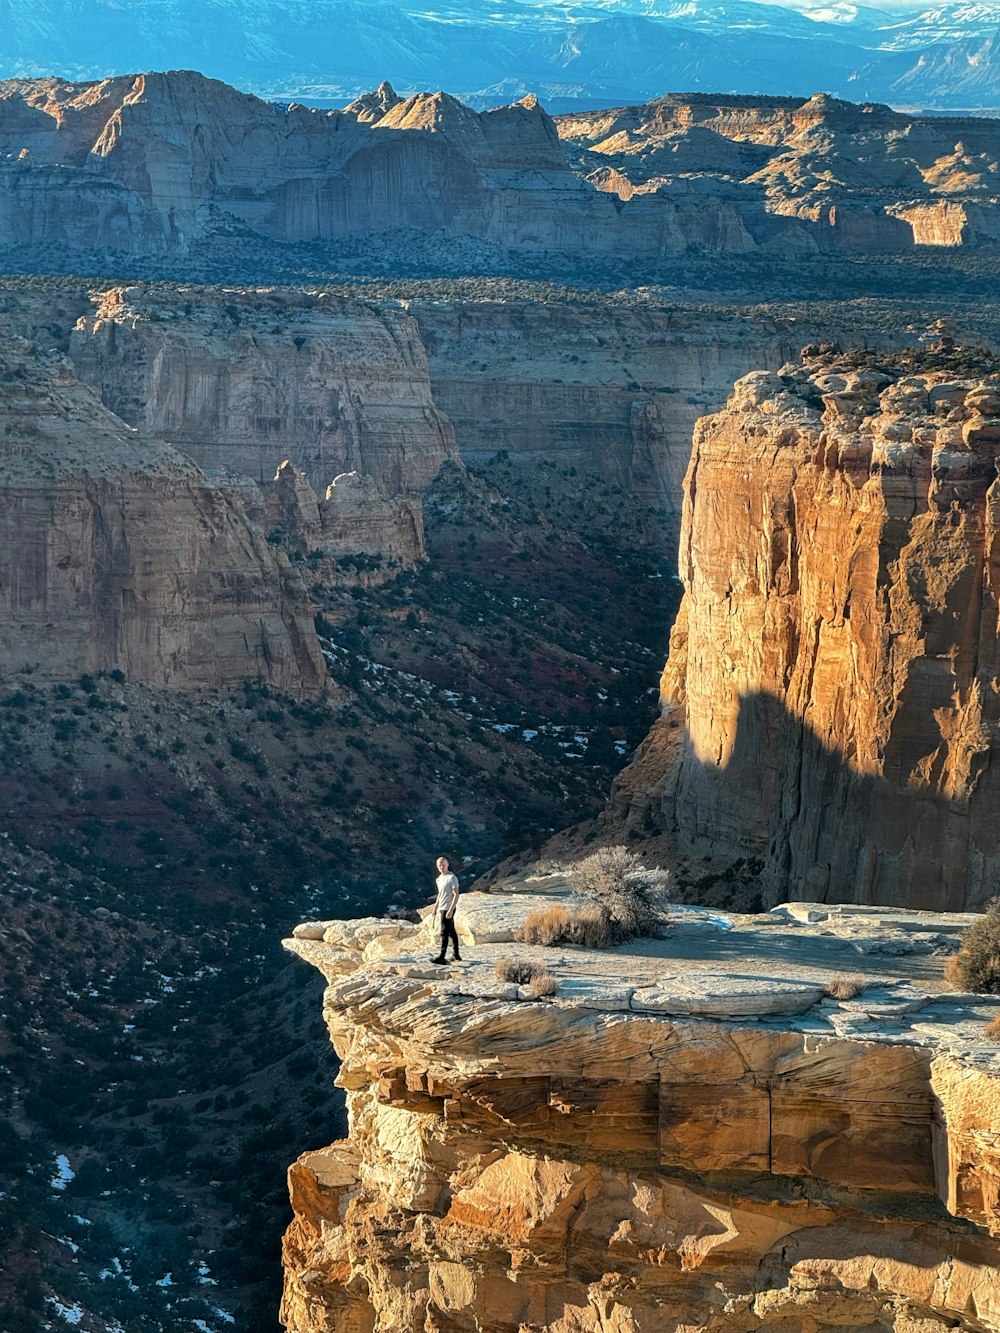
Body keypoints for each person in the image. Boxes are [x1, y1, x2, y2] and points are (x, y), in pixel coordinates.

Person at [431, 855, 461, 964]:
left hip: (448, 908)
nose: (442, 867)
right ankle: (456, 954)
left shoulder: (452, 878)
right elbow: (440, 894)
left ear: (447, 864)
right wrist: (435, 908)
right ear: (437, 866)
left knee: (444, 932)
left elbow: (456, 894)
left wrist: (451, 909)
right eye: (440, 865)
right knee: (451, 932)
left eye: (443, 865)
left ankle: (442, 956)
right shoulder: (439, 879)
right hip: (442, 907)